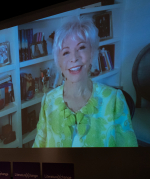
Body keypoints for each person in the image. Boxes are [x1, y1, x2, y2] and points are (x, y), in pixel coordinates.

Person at [33, 16, 137, 147]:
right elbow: (39, 149)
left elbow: (128, 159)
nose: (74, 58)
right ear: (58, 62)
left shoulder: (114, 100)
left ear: (92, 53)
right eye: (66, 52)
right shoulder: (48, 101)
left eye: (81, 48)